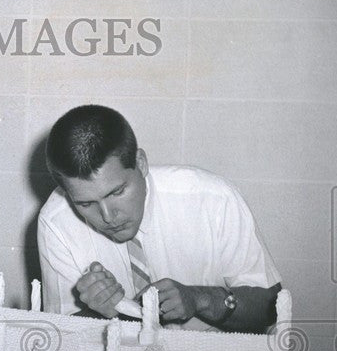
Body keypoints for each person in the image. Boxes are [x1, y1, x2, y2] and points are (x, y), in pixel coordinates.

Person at [38, 105, 282, 333]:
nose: (108, 217)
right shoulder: (56, 222)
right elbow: (62, 336)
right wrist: (103, 313)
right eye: (86, 203)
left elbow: (272, 307)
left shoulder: (213, 199)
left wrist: (201, 299)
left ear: (141, 164)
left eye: (117, 192)